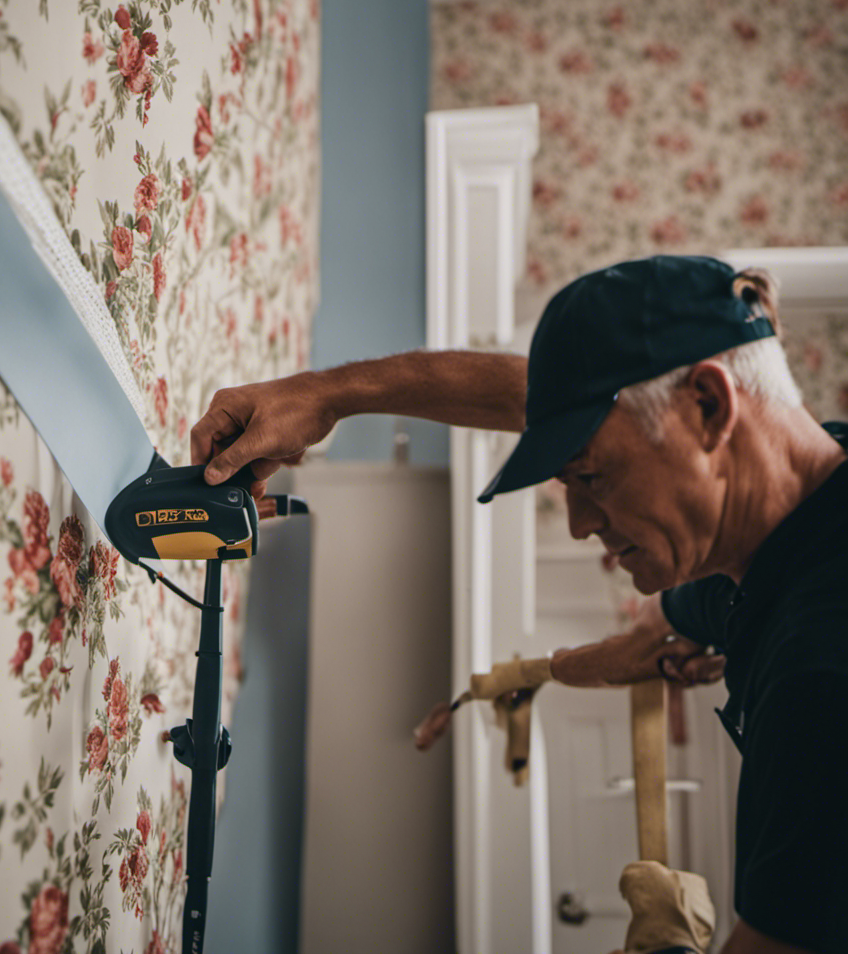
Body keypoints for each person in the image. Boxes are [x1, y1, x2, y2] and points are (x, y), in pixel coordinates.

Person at [191, 254, 848, 954]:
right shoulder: (795, 523)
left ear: (711, 407)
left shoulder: (821, 676)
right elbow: (542, 397)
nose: (579, 523)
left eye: (592, 475)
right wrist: (324, 394)